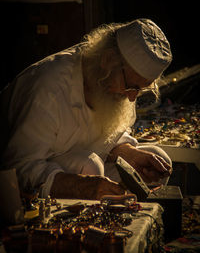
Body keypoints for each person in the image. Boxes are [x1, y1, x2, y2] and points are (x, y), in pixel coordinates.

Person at [0, 18, 173, 200]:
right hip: (36, 168)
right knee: (91, 166)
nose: (132, 97)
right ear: (107, 60)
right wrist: (78, 186)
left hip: (80, 157)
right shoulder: (49, 87)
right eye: (131, 86)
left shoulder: (118, 81)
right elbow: (17, 167)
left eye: (140, 89)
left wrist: (125, 151)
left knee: (156, 162)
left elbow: (107, 132)